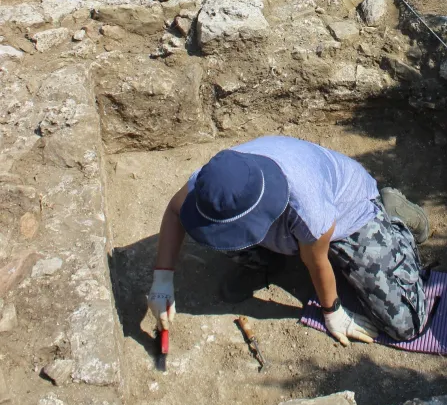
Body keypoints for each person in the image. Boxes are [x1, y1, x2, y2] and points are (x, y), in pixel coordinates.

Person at [147, 135, 431, 346]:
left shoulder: (306, 205)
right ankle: (268, 261)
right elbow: (176, 210)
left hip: (349, 213)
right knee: (210, 227)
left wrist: (333, 312)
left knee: (405, 324)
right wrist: (161, 282)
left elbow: (316, 260)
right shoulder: (217, 180)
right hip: (297, 226)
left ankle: (393, 215)